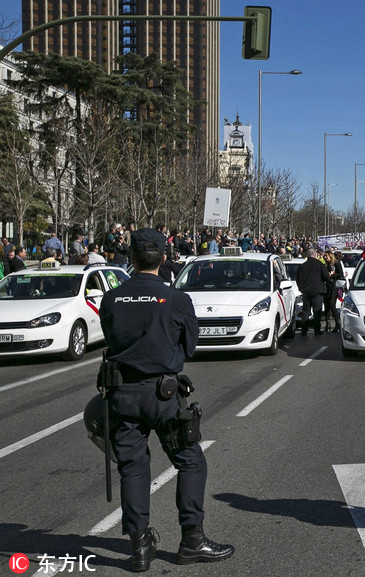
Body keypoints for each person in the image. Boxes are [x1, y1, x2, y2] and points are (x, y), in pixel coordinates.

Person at [99, 229, 233, 572]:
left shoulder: (112, 298)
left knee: (132, 470)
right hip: (162, 395)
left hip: (121, 395)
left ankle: (140, 547)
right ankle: (192, 540)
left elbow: (112, 339)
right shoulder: (176, 299)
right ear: (163, 257)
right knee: (191, 462)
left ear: (130, 256)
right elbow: (189, 347)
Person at [296, 247, 329, 336]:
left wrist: (301, 288)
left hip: (306, 291)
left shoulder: (302, 266)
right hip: (317, 291)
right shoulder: (320, 264)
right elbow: (326, 277)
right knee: (317, 311)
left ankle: (304, 330)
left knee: (306, 311)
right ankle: (317, 330)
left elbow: (298, 279)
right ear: (316, 255)